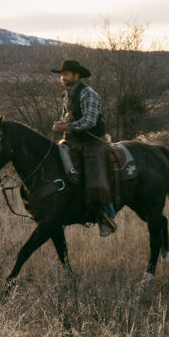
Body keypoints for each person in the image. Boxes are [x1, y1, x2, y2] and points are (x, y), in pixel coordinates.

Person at [50, 59, 117, 237]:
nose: (62, 77)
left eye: (66, 74)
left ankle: (106, 215)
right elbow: (67, 117)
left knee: (93, 174)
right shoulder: (67, 95)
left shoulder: (88, 93)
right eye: (61, 75)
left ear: (76, 75)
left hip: (93, 142)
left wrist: (66, 127)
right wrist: (61, 123)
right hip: (74, 141)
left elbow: (89, 121)